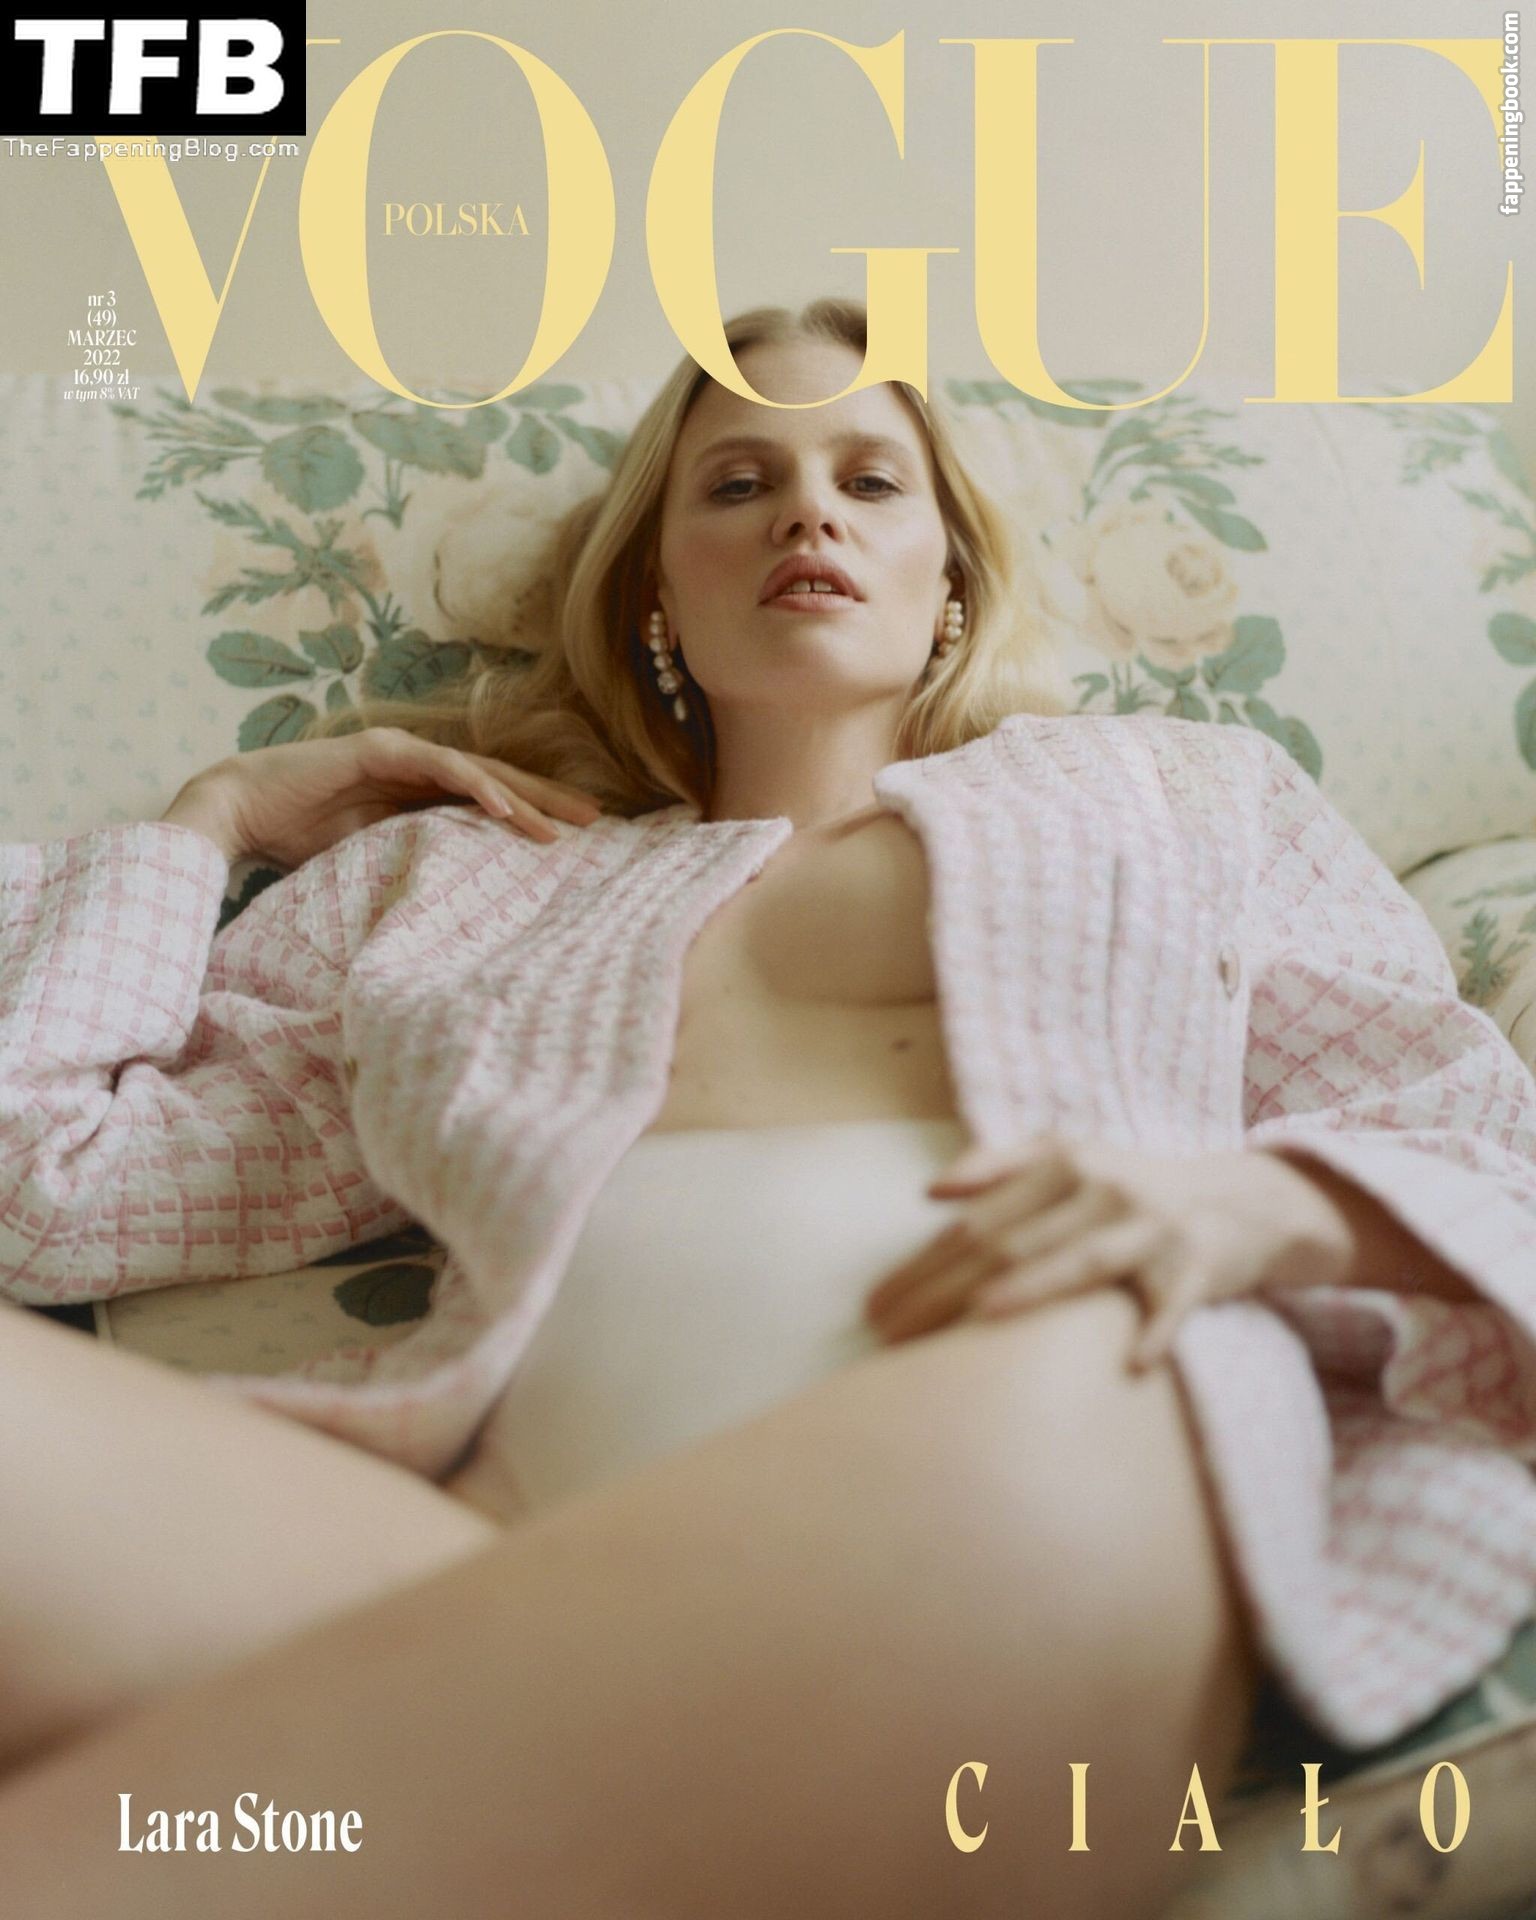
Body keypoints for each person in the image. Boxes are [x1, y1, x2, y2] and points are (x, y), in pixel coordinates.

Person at [2, 297, 1535, 1920]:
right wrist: (211, 824)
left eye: (870, 482)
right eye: (738, 484)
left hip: (1050, 1441)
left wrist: (1243, 1210)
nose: (808, 512)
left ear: (951, 578)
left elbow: (1481, 1143)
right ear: (655, 594)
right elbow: (48, 1185)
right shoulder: (461, 880)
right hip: (496, 1543)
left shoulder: (1177, 795)